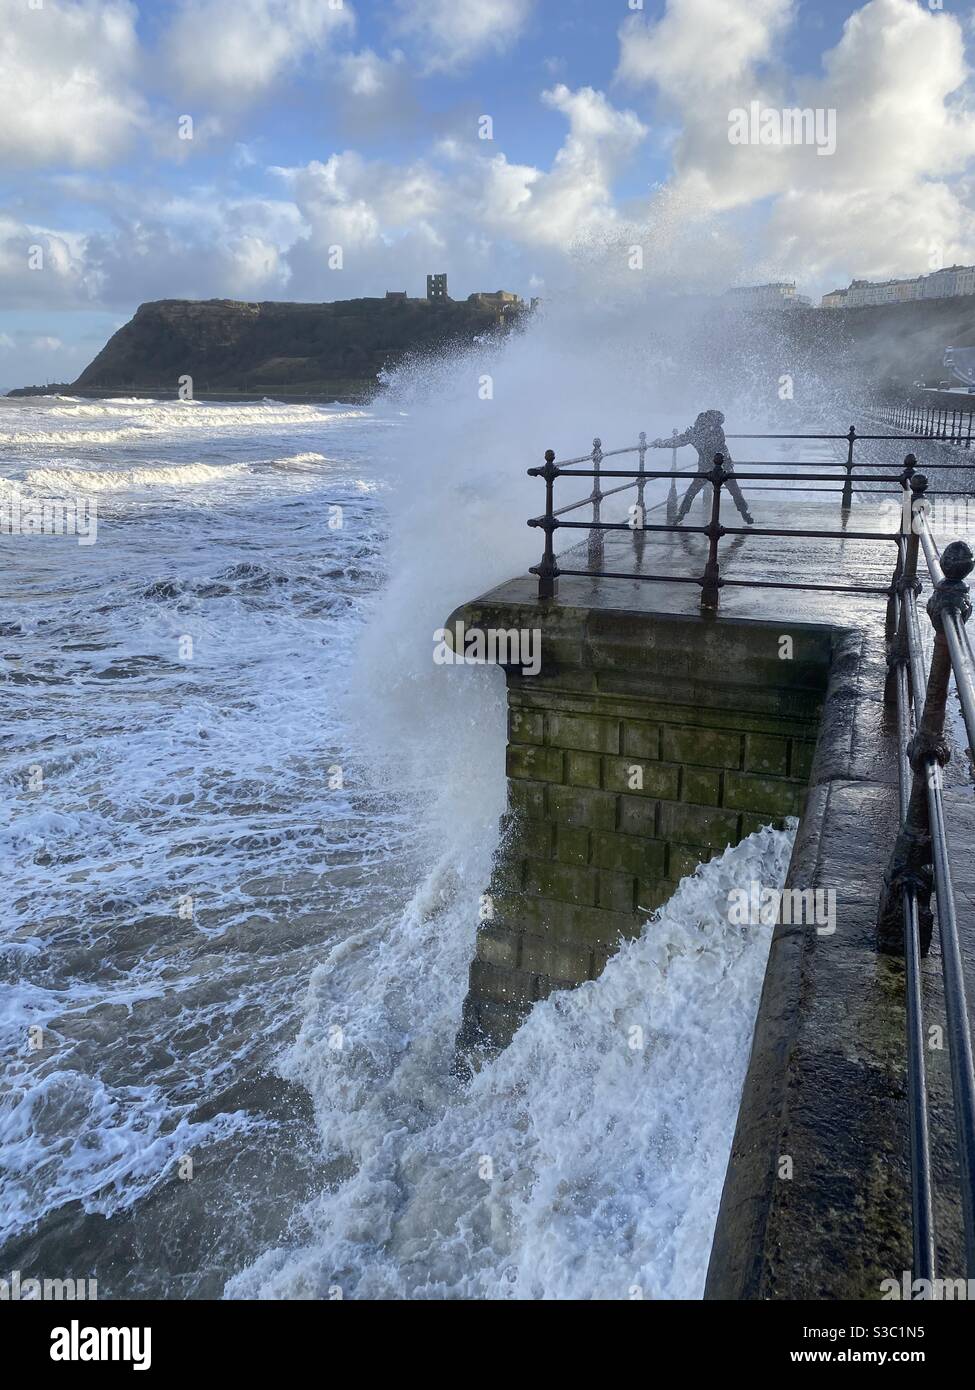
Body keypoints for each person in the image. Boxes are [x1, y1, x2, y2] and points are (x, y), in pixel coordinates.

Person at [650, 409, 753, 524]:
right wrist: (661, 443)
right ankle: (745, 514)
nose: (705, 426)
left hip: (719, 466)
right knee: (695, 491)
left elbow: (680, 441)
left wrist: (661, 444)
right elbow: (678, 441)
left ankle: (681, 515)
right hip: (716, 466)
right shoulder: (702, 432)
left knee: (731, 491)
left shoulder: (711, 431)